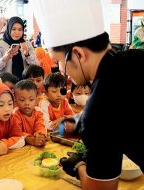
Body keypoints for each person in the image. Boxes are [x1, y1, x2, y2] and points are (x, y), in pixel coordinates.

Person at [33, 0, 144, 189]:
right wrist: (79, 121)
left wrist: (78, 166)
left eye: (59, 61)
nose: (61, 70)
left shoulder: (100, 106)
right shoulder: (136, 58)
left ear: (78, 54)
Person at [12, 80, 47, 147]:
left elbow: (40, 126)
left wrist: (40, 135)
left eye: (31, 100)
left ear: (36, 100)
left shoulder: (38, 112)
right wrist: (30, 139)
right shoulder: (15, 114)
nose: (27, 103)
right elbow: (17, 133)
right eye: (22, 100)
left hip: (34, 142)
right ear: (15, 101)